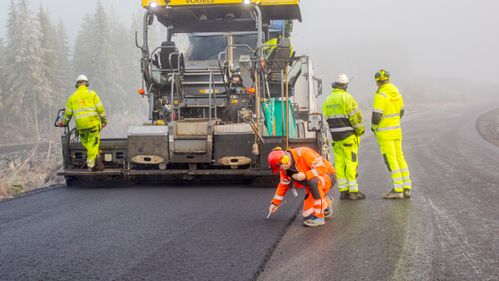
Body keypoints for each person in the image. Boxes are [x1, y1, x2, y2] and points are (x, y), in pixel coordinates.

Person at [267, 147, 336, 227]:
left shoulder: (304, 153)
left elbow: (322, 168)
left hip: (328, 175)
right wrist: (275, 203)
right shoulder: (285, 169)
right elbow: (283, 185)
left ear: (285, 161)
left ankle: (319, 218)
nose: (281, 170)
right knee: (307, 216)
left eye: (281, 168)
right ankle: (327, 202)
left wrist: (305, 175)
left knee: (314, 182)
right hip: (311, 183)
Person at [322, 74, 366, 200]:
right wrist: (360, 130)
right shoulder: (347, 98)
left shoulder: (328, 100)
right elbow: (356, 117)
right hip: (348, 136)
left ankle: (343, 190)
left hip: (336, 138)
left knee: (339, 164)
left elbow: (326, 118)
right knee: (351, 163)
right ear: (345, 86)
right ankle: (353, 191)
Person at [371, 70, 412, 199]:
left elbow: (376, 116)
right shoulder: (396, 91)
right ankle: (406, 188)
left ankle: (397, 190)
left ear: (377, 82)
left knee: (391, 159)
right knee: (400, 157)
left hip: (385, 133)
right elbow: (401, 111)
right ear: (388, 79)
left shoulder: (380, 94)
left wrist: (374, 128)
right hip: (396, 131)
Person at [57, 75, 107, 172]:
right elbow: (100, 109)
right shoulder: (92, 94)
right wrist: (104, 120)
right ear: (86, 83)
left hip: (81, 127)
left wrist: (63, 123)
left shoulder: (72, 97)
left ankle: (96, 156)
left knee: (87, 144)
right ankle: (91, 165)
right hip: (93, 125)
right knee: (93, 144)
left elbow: (67, 114)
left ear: (77, 84)